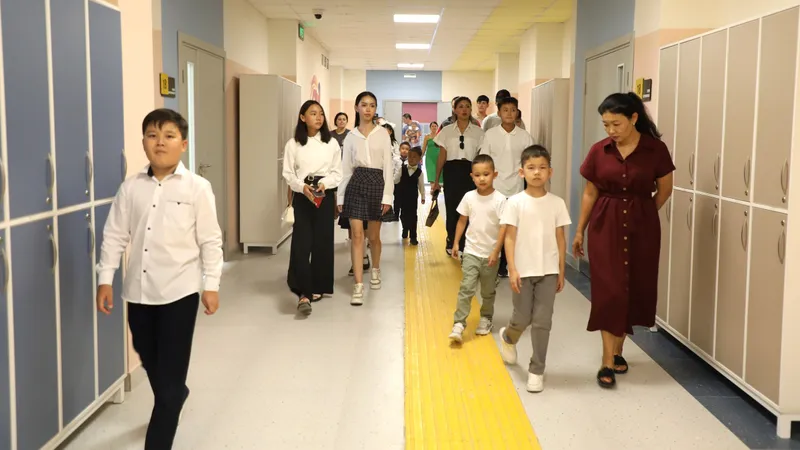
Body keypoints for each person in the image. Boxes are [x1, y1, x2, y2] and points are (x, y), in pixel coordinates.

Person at [95, 108, 223, 448]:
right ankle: (176, 393)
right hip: (138, 292)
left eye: (168, 136)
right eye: (152, 136)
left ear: (183, 144)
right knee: (146, 354)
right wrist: (105, 279)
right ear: (143, 143)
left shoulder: (198, 188)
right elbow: (115, 235)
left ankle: (166, 413)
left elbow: (210, 240)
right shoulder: (131, 188)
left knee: (168, 381)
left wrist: (211, 285)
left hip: (180, 292)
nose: (160, 142)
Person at [572, 92, 675, 389]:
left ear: (633, 118)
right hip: (605, 224)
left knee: (632, 287)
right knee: (610, 290)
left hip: (643, 226)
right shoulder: (599, 150)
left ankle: (618, 351)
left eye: (616, 124)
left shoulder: (655, 150)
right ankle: (607, 361)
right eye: (605, 125)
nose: (611, 130)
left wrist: (645, 213)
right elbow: (590, 192)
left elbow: (665, 190)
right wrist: (580, 230)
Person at [497, 145, 570, 393]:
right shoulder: (515, 203)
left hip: (549, 271)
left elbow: (560, 238)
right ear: (521, 172)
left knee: (542, 321)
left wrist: (561, 270)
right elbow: (509, 238)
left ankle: (536, 370)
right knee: (522, 318)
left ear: (550, 171)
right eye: (531, 168)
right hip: (523, 270)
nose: (537, 172)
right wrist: (512, 268)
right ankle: (508, 337)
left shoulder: (557, 203)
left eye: (542, 168)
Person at [282, 100, 342, 316]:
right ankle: (303, 292)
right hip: (302, 193)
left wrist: (324, 184)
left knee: (322, 242)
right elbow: (288, 173)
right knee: (301, 242)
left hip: (324, 193)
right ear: (302, 117)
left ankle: (319, 285)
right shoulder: (293, 144)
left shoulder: (331, 143)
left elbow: (337, 173)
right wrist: (301, 187)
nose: (318, 117)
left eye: (321, 114)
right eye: (313, 113)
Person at [339, 91, 394, 305]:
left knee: (373, 237)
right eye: (364, 105)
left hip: (377, 184)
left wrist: (387, 196)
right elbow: (345, 169)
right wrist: (341, 197)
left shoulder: (383, 134)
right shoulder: (351, 136)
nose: (368, 109)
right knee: (356, 235)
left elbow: (388, 166)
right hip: (356, 183)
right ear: (356, 108)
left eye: (372, 105)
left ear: (375, 109)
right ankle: (358, 285)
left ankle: (376, 268)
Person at [448, 154, 507, 343]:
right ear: (472, 176)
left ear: (494, 175)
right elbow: (462, 220)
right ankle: (459, 323)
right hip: (471, 252)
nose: (482, 178)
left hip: (491, 255)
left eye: (486, 174)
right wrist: (456, 243)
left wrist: (496, 251)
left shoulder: (500, 200)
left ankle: (486, 318)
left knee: (488, 291)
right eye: (477, 175)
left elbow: (504, 228)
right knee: (466, 288)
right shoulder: (469, 197)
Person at [480, 96, 533, 278]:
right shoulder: (490, 134)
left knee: (512, 227)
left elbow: (530, 161)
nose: (509, 113)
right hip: (496, 187)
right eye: (505, 110)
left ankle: (508, 264)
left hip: (517, 188)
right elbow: (485, 161)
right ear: (499, 113)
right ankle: (492, 262)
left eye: (513, 110)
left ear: (517, 112)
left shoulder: (525, 136)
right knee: (494, 227)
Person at [432, 96, 485, 255]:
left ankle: (464, 243)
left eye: (467, 106)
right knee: (452, 207)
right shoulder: (446, 131)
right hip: (451, 171)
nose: (464, 109)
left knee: (469, 208)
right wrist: (436, 180)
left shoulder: (478, 132)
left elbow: (481, 156)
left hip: (470, 171)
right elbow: (442, 156)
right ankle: (451, 239)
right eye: (460, 106)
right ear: (454, 110)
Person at [394, 146, 425, 245]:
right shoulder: (402, 168)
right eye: (410, 156)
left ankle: (413, 236)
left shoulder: (419, 173)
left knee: (413, 216)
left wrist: (423, 196)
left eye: (414, 157)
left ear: (419, 159)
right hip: (402, 196)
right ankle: (405, 228)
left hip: (413, 197)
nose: (411, 159)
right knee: (403, 215)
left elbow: (421, 185)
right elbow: (396, 180)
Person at [392, 142, 411, 223]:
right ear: (399, 149)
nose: (404, 151)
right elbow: (392, 170)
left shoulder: (410, 160)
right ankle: (395, 215)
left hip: (407, 183)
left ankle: (403, 215)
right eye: (403, 149)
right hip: (397, 182)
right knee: (397, 199)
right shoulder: (395, 159)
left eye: (407, 149)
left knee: (405, 199)